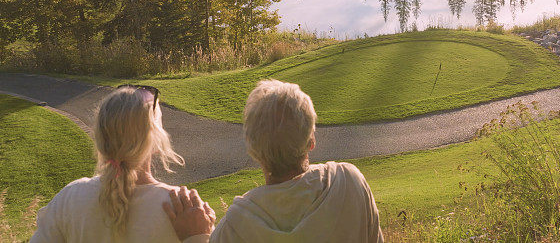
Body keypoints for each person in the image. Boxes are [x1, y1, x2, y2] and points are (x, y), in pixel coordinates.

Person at [167, 79, 384, 243]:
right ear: (311, 141)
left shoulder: (235, 226)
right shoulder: (348, 181)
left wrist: (197, 237)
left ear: (253, 150)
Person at [30, 85, 215, 243]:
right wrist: (201, 237)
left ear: (101, 138)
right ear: (157, 140)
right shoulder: (184, 208)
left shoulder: (70, 198)